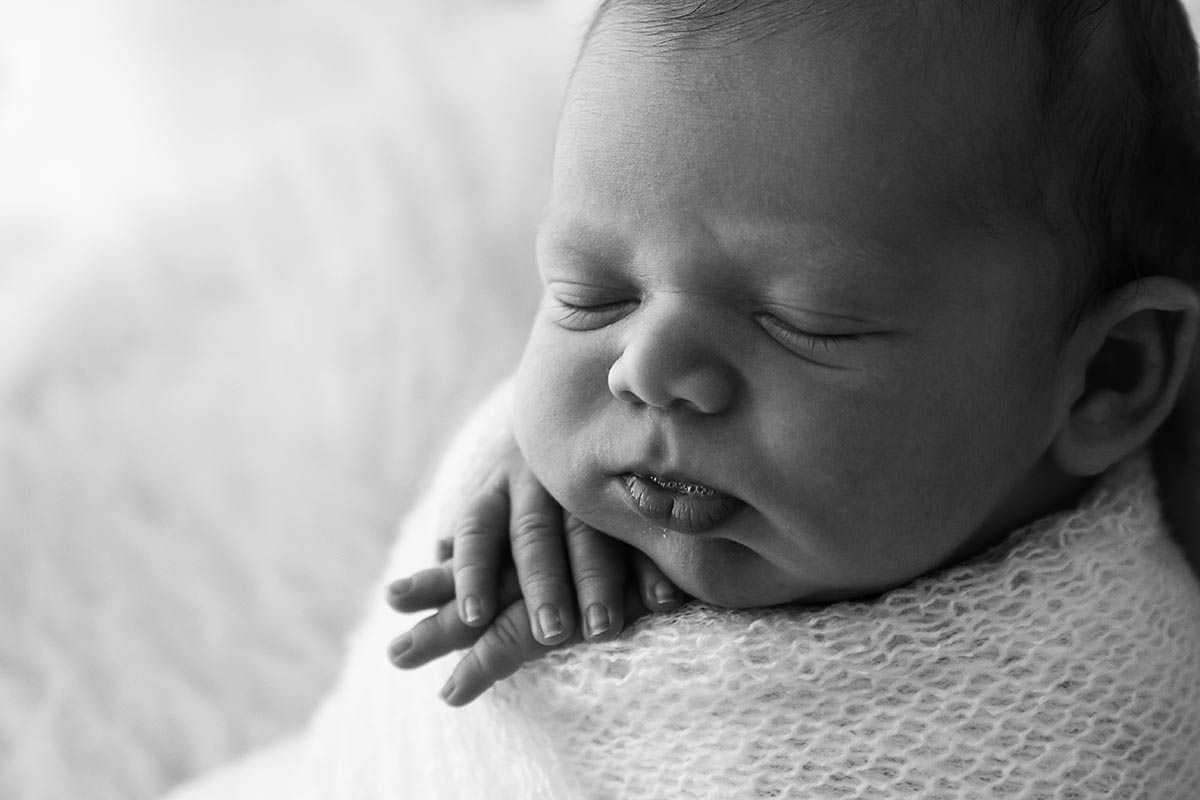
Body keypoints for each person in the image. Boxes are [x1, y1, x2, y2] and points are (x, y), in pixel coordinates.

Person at [368, 0, 1200, 794]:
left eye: (804, 322)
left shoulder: (1094, 715)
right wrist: (518, 478)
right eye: (592, 294)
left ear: (1107, 378)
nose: (646, 370)